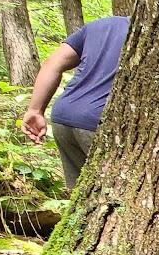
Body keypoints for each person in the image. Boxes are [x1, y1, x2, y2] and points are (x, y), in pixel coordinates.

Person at [19, 15, 131, 189]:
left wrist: (35, 110)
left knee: (84, 196)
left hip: (63, 118)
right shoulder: (146, 32)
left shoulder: (100, 26)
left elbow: (52, 63)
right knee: (118, 196)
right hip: (98, 123)